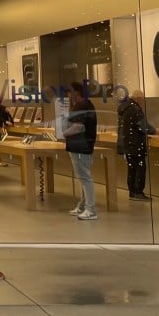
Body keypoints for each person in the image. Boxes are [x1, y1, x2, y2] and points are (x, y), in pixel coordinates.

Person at [64, 81, 99, 220]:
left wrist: (63, 133)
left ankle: (91, 209)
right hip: (82, 146)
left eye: (69, 92)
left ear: (76, 93)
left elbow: (78, 127)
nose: (67, 95)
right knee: (83, 177)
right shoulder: (86, 105)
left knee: (85, 177)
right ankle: (83, 206)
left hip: (80, 146)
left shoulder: (81, 106)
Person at [117, 89, 156, 201]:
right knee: (140, 168)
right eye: (142, 99)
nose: (143, 101)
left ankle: (132, 192)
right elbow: (143, 126)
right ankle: (138, 192)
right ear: (138, 98)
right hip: (135, 144)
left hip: (127, 144)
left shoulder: (124, 108)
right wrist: (154, 131)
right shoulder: (135, 109)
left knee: (132, 168)